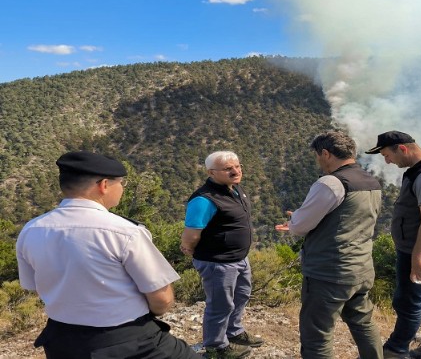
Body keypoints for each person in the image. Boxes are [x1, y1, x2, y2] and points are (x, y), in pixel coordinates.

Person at [16, 151, 200, 359]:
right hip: (128, 341)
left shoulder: (31, 230)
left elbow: (35, 287)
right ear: (104, 185)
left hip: (61, 341)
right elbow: (161, 298)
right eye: (121, 183)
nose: (122, 188)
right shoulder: (124, 232)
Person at [275, 130, 384, 359]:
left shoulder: (331, 183)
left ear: (325, 153)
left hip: (329, 272)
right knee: (363, 323)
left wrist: (294, 221)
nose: (318, 161)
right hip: (362, 268)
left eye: (317, 156)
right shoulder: (372, 182)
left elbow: (301, 225)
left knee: (317, 334)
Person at [365, 131, 421, 359]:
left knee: (408, 301)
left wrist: (418, 257)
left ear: (403, 149)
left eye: (388, 155)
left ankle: (395, 350)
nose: (387, 161)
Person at [181, 151, 263, 359]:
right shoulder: (204, 199)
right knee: (220, 304)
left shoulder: (234, 189)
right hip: (217, 262)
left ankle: (233, 332)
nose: (236, 171)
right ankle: (216, 347)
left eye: (238, 166)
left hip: (239, 259)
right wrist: (189, 248)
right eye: (228, 169)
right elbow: (191, 233)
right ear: (211, 172)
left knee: (241, 296)